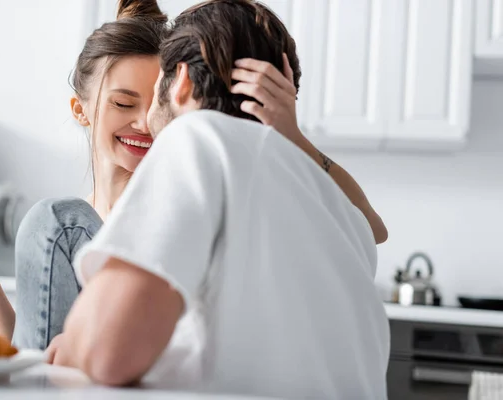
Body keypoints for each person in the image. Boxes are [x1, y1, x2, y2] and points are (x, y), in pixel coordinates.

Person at [0, 0, 386, 360]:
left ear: (176, 88)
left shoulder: (186, 183)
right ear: (82, 110)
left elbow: (95, 358)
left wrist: (292, 135)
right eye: (121, 103)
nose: (142, 123)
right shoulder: (75, 227)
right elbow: (39, 354)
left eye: (153, 97)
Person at [50, 0, 390, 399]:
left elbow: (106, 350)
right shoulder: (339, 210)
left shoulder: (197, 137)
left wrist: (74, 345)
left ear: (181, 83)